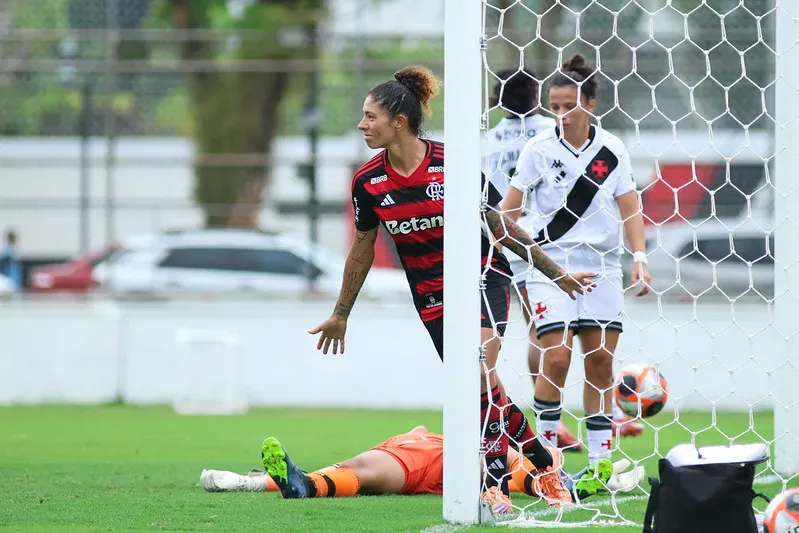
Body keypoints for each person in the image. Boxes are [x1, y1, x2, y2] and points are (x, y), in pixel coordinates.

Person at [307, 65, 596, 513]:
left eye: (369, 117)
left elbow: (499, 224)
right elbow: (361, 251)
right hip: (430, 297)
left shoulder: (452, 165)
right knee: (481, 389)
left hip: (483, 278)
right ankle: (544, 461)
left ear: (398, 122)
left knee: (479, 372)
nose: (362, 125)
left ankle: (495, 484)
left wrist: (556, 272)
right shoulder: (368, 182)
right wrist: (341, 312)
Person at [499, 54, 651, 465]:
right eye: (555, 107)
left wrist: (638, 255)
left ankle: (601, 465)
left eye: (570, 106)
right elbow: (509, 212)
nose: (562, 115)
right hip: (551, 264)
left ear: (590, 104)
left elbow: (630, 206)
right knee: (557, 357)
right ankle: (544, 460)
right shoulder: (538, 148)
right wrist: (524, 251)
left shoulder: (612, 150)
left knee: (601, 361)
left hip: (601, 266)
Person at [484, 68, 584, 452]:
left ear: (499, 98)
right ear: (537, 95)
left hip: (505, 233)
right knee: (550, 333)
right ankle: (550, 420)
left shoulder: (488, 138)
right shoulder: (553, 127)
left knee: (536, 330)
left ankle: (543, 419)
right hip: (550, 239)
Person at [199, 425, 645, 507]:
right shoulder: (491, 440)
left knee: (360, 471)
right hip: (408, 448)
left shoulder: (503, 456)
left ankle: (298, 487)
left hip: (418, 469)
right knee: (346, 466)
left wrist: (580, 484)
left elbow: (528, 481)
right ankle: (253, 482)